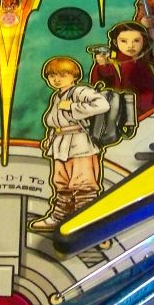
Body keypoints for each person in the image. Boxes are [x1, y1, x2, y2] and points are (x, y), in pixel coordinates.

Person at [31, 57, 110, 231]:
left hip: (79, 143)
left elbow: (102, 104)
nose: (56, 79)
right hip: (60, 144)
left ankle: (86, 221)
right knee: (62, 183)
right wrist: (50, 138)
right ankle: (59, 217)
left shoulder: (79, 91)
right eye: (52, 75)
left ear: (74, 75)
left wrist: (73, 106)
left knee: (83, 184)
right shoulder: (57, 96)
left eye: (63, 74)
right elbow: (56, 121)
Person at [89, 21, 154, 115]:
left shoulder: (147, 62)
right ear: (115, 42)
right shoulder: (113, 64)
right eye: (123, 41)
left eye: (136, 40)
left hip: (153, 107)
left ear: (143, 41)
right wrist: (102, 65)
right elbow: (103, 78)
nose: (130, 45)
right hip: (125, 109)